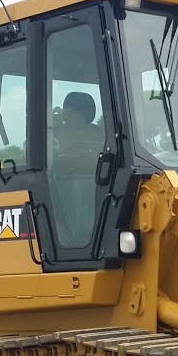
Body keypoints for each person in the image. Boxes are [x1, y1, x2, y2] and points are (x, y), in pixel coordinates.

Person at [48, 92, 104, 248]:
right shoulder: (99, 133)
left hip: (77, 185)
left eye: (67, 109)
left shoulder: (58, 132)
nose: (64, 113)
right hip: (88, 186)